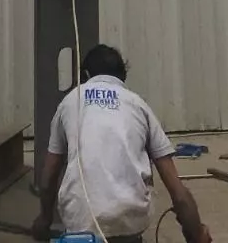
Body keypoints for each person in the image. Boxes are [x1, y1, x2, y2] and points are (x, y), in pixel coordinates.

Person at [32, 44, 211, 243]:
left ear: (86, 75)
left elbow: (48, 178)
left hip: (80, 221)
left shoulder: (69, 102)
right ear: (121, 75)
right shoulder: (138, 104)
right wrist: (197, 233)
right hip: (130, 222)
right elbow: (178, 192)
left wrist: (44, 220)